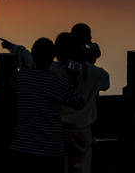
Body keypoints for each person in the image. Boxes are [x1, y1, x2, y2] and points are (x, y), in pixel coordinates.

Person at [9, 37, 83, 173]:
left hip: (21, 146)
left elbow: (12, 89)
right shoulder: (61, 83)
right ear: (53, 57)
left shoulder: (20, 78)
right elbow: (78, 104)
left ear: (33, 55)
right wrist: (74, 79)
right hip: (51, 150)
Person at [51, 32, 110, 173]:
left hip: (57, 129)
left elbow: (31, 60)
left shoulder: (51, 70)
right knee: (81, 168)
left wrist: (17, 49)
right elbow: (106, 83)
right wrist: (89, 58)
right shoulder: (95, 73)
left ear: (56, 52)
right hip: (81, 131)